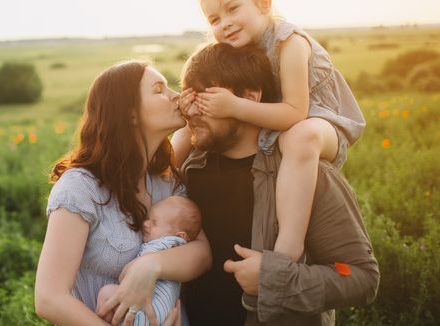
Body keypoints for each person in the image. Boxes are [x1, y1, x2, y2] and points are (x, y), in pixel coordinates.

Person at [180, 43, 379, 325]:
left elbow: (361, 278)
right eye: (189, 98)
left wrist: (273, 279)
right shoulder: (190, 171)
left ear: (250, 96)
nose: (194, 111)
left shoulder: (307, 174)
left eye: (207, 98)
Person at [172, 0, 366, 264]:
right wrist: (190, 104)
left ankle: (288, 246)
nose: (225, 23)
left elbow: (295, 113)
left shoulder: (289, 43)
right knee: (186, 133)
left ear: (263, 4)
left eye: (233, 8)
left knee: (300, 138)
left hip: (321, 122)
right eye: (214, 20)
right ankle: (159, 183)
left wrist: (233, 105)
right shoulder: (238, 45)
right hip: (282, 124)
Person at [34, 61, 212, 326]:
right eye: (158, 89)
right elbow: (50, 298)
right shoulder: (81, 187)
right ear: (129, 113)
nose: (175, 95)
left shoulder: (166, 182)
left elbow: (202, 254)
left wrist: (151, 266)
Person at [97, 196, 202, 325]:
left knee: (106, 293)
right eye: (147, 219)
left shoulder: (167, 243)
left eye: (155, 222)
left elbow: (127, 274)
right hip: (161, 315)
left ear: (179, 235)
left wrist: (129, 270)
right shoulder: (180, 249)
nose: (145, 224)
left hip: (148, 312)